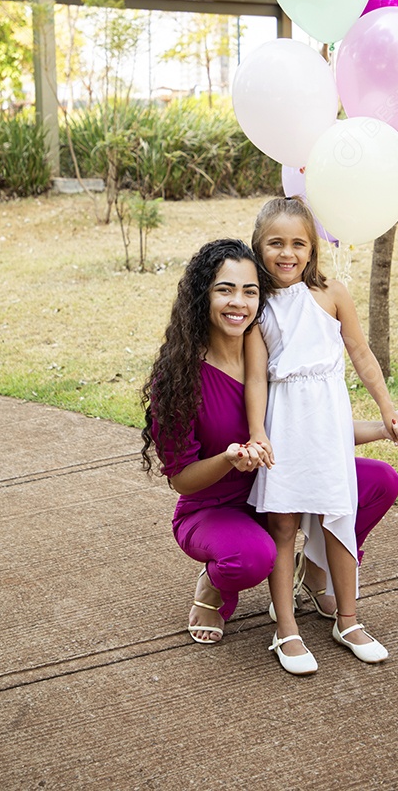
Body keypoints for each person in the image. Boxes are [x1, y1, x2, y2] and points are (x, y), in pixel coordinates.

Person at [245, 196, 398, 675]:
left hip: (325, 422)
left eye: (298, 243)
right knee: (282, 527)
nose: (287, 253)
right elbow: (258, 378)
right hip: (284, 423)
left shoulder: (332, 293)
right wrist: (259, 432)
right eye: (275, 243)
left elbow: (362, 356)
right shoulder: (258, 307)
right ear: (258, 248)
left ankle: (347, 619)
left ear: (313, 248)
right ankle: (286, 629)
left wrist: (388, 413)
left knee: (337, 517)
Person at [141, 238, 277, 644]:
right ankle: (212, 586)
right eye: (225, 289)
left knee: (376, 482)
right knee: (252, 558)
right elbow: (181, 480)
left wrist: (382, 426)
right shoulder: (179, 377)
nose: (239, 302)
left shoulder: (271, 352)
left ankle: (317, 569)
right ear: (203, 295)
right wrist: (228, 459)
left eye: (249, 291)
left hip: (276, 493)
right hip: (211, 509)